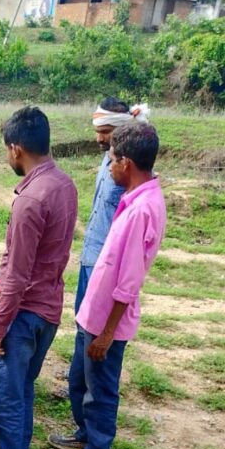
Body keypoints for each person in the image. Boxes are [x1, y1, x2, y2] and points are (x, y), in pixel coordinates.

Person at [49, 123, 166, 449]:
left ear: (126, 163)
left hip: (106, 323)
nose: (109, 165)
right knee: (81, 379)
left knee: (101, 386)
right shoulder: (134, 200)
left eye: (112, 159)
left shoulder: (141, 210)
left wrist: (106, 333)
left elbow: (128, 283)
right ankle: (85, 433)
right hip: (94, 313)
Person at [0, 106, 77, 449]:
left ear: (16, 149)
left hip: (24, 312)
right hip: (49, 309)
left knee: (7, 392)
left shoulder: (29, 201)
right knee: (23, 385)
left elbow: (18, 275)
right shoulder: (65, 185)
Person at [75, 98, 149, 312]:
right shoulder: (108, 159)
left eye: (105, 131)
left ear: (123, 129)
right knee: (82, 320)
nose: (99, 138)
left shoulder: (130, 171)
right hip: (90, 256)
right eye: (97, 130)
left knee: (95, 330)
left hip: (109, 265)